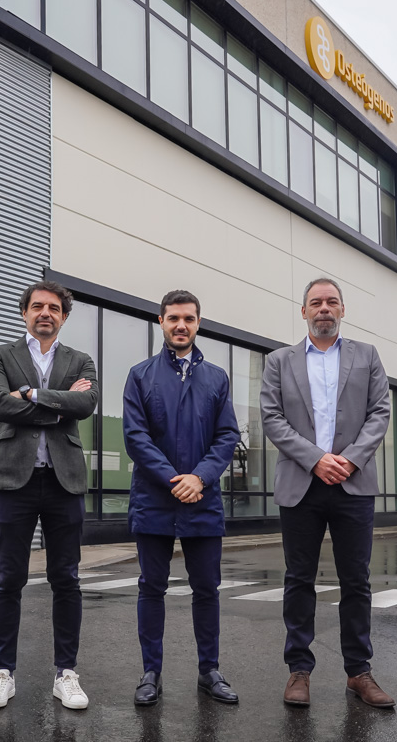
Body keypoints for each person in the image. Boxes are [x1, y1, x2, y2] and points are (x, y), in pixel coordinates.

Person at [259, 277, 394, 709]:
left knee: (357, 581)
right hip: (302, 484)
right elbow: (272, 418)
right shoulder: (279, 360)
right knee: (299, 580)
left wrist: (349, 459)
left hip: (352, 484)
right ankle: (299, 671)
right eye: (315, 302)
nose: (324, 309)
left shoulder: (367, 356)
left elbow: (380, 412)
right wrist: (316, 458)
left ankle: (360, 673)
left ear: (342, 310)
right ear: (303, 312)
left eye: (331, 302)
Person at [0, 280, 100, 710]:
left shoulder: (80, 359)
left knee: (65, 579)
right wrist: (59, 402)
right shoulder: (0, 355)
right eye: (37, 307)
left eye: (53, 308)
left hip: (63, 481)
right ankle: (2, 673)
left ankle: (66, 673)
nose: (45, 313)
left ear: (63, 317)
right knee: (7, 579)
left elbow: (86, 406)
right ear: (24, 313)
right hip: (15, 479)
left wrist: (28, 394)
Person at [122, 289, 241, 707]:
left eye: (188, 318)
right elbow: (135, 437)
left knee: (206, 589)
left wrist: (201, 478)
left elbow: (228, 436)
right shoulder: (140, 375)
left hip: (202, 500)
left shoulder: (217, 379)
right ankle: (150, 672)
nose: (181, 325)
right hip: (155, 499)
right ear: (161, 322)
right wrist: (175, 479)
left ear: (198, 323)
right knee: (150, 588)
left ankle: (209, 671)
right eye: (173, 318)